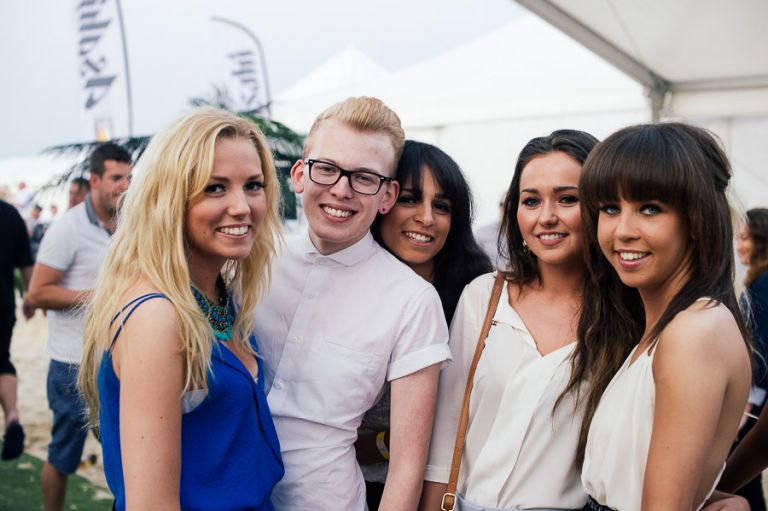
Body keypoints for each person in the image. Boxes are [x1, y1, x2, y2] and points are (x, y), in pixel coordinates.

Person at [78, 107, 284, 510]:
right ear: (170, 197)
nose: (242, 206)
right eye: (215, 188)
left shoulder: (221, 295)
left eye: (253, 185)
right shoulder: (156, 315)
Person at [252, 97, 451, 511]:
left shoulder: (412, 302)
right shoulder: (250, 263)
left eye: (364, 177)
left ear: (387, 195)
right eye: (326, 168)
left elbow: (407, 467)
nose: (341, 190)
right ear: (298, 175)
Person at [420, 129, 602, 510]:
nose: (546, 217)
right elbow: (445, 432)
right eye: (531, 200)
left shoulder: (625, 319)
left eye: (568, 199)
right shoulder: (484, 297)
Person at [579, 123, 752, 511]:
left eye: (650, 209)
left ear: (696, 218)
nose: (622, 230)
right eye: (610, 208)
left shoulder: (693, 332)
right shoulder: (670, 326)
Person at [357, 140, 492, 509]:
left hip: (452, 492)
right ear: (383, 200)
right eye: (411, 199)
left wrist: (379, 443)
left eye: (442, 206)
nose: (427, 217)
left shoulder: (480, 294)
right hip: (358, 492)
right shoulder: (348, 289)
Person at [27, 142, 132, 511]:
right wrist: (100, 296)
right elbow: (38, 292)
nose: (124, 186)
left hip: (119, 362)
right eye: (117, 178)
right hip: (71, 364)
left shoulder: (130, 223)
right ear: (94, 180)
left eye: (129, 178)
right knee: (62, 456)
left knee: (127, 459)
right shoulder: (66, 229)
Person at [716, 208, 768, 508]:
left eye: (746, 238)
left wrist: (743, 407)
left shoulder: (764, 285)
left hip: (753, 401)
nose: (739, 245)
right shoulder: (757, 281)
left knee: (744, 483)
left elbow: (761, 349)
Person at [0, 199, 34, 460]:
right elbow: (26, 262)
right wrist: (31, 298)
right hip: (3, 304)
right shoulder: (11, 214)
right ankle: (12, 415)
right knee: (3, 361)